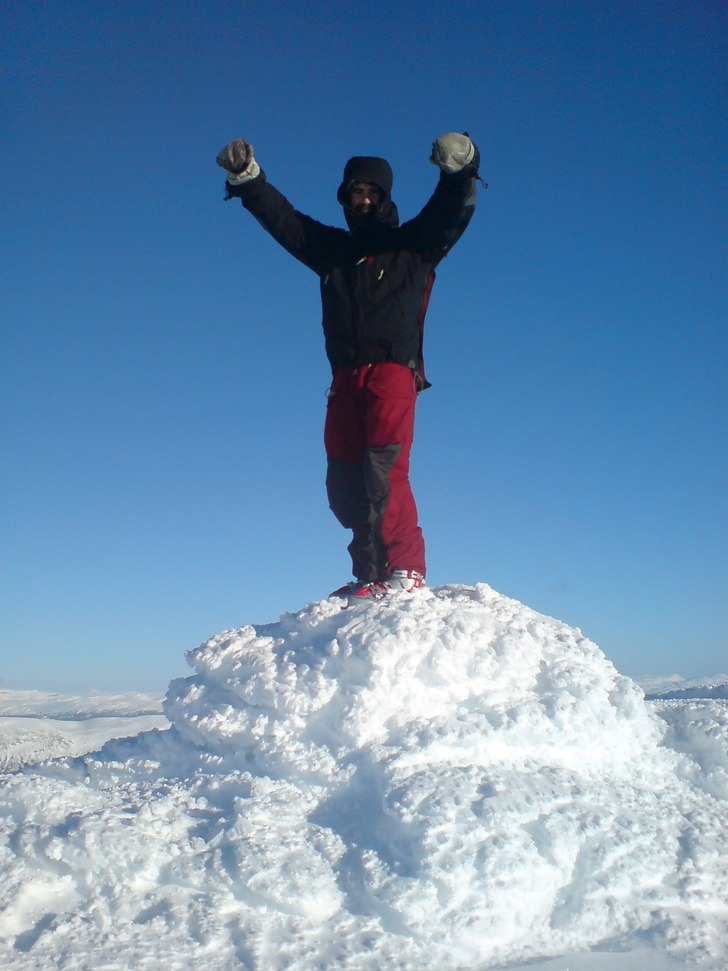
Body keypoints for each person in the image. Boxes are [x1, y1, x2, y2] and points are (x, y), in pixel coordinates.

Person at [216, 132, 479, 601]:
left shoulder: (413, 246)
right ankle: (369, 573)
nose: (362, 200)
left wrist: (459, 169)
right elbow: (286, 223)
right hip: (343, 379)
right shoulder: (334, 251)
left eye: (371, 193)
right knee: (344, 480)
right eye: (354, 193)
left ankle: (406, 569)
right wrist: (249, 181)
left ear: (384, 197)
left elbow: (450, 212)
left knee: (385, 471)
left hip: (392, 373)